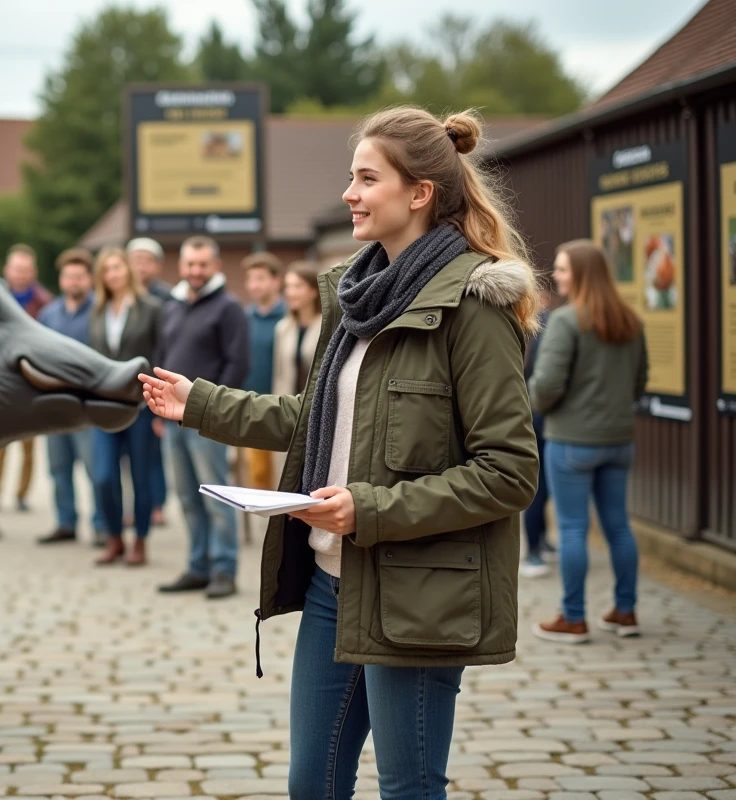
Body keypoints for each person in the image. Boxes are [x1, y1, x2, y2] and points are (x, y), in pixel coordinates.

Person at [139, 106, 541, 799]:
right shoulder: (360, 298)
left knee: (407, 788)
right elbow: (318, 418)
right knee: (312, 783)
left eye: (367, 179)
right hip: (332, 584)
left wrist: (369, 509)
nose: (349, 193)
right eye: (352, 177)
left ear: (420, 193)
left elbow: (508, 472)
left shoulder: (474, 307)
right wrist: (199, 403)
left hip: (416, 596)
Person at [529, 239, 649, 644]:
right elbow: (639, 383)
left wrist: (533, 401)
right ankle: (625, 611)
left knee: (572, 529)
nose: (556, 275)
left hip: (571, 441)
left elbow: (546, 386)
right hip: (619, 441)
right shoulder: (630, 320)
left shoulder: (565, 322)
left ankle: (574, 618)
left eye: (562, 269)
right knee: (619, 527)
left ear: (581, 274)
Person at [155, 235, 250, 600]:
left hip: (207, 420)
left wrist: (215, 410)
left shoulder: (228, 308)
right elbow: (162, 357)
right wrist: (158, 409)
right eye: (190, 264)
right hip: (173, 419)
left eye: (202, 264)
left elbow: (237, 363)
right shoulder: (172, 306)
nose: (195, 271)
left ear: (215, 266)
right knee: (186, 496)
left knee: (216, 497)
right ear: (181, 266)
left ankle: (224, 569)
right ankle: (198, 567)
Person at [89, 247, 162, 566]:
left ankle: (140, 540)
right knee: (103, 476)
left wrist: (159, 407)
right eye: (106, 270)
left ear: (128, 271)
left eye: (117, 268)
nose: (112, 275)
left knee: (141, 477)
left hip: (141, 406)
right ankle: (114, 537)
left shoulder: (151, 308)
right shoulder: (97, 310)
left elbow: (160, 356)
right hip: (105, 408)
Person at [36, 248, 106, 546]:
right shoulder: (48, 314)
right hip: (56, 406)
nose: (74, 281)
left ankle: (102, 525)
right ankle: (66, 522)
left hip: (89, 406)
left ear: (89, 279)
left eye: (79, 276)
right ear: (61, 279)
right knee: (58, 468)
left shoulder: (101, 311)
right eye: (68, 276)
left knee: (95, 470)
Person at [0, 244, 52, 511]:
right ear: (7, 270)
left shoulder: (45, 303)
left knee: (28, 445)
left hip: (32, 382)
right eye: (17, 269)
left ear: (33, 272)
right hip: (0, 379)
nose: (21, 274)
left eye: (25, 270)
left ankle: (22, 494)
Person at [127, 237, 172, 527]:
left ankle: (157, 503)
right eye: (136, 260)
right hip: (127, 388)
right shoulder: (121, 295)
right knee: (129, 455)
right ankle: (135, 504)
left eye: (147, 261)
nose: (141, 266)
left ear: (157, 265)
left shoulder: (167, 298)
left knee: (153, 453)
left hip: (156, 382)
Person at [269, 260, 322, 481]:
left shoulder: (327, 326)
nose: (290, 292)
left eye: (297, 286)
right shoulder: (283, 328)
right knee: (285, 475)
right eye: (288, 287)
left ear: (314, 291)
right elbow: (279, 375)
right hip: (290, 412)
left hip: (317, 412)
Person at [241, 252, 286, 491]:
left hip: (281, 408)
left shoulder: (289, 317)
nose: (253, 285)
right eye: (250, 279)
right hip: (250, 408)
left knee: (281, 476)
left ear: (276, 281)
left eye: (260, 278)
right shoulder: (244, 318)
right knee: (255, 477)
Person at [519, 291, 556, 578]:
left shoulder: (540, 324)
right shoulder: (540, 325)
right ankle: (534, 548)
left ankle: (539, 542)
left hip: (537, 413)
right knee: (539, 484)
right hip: (538, 415)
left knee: (541, 483)